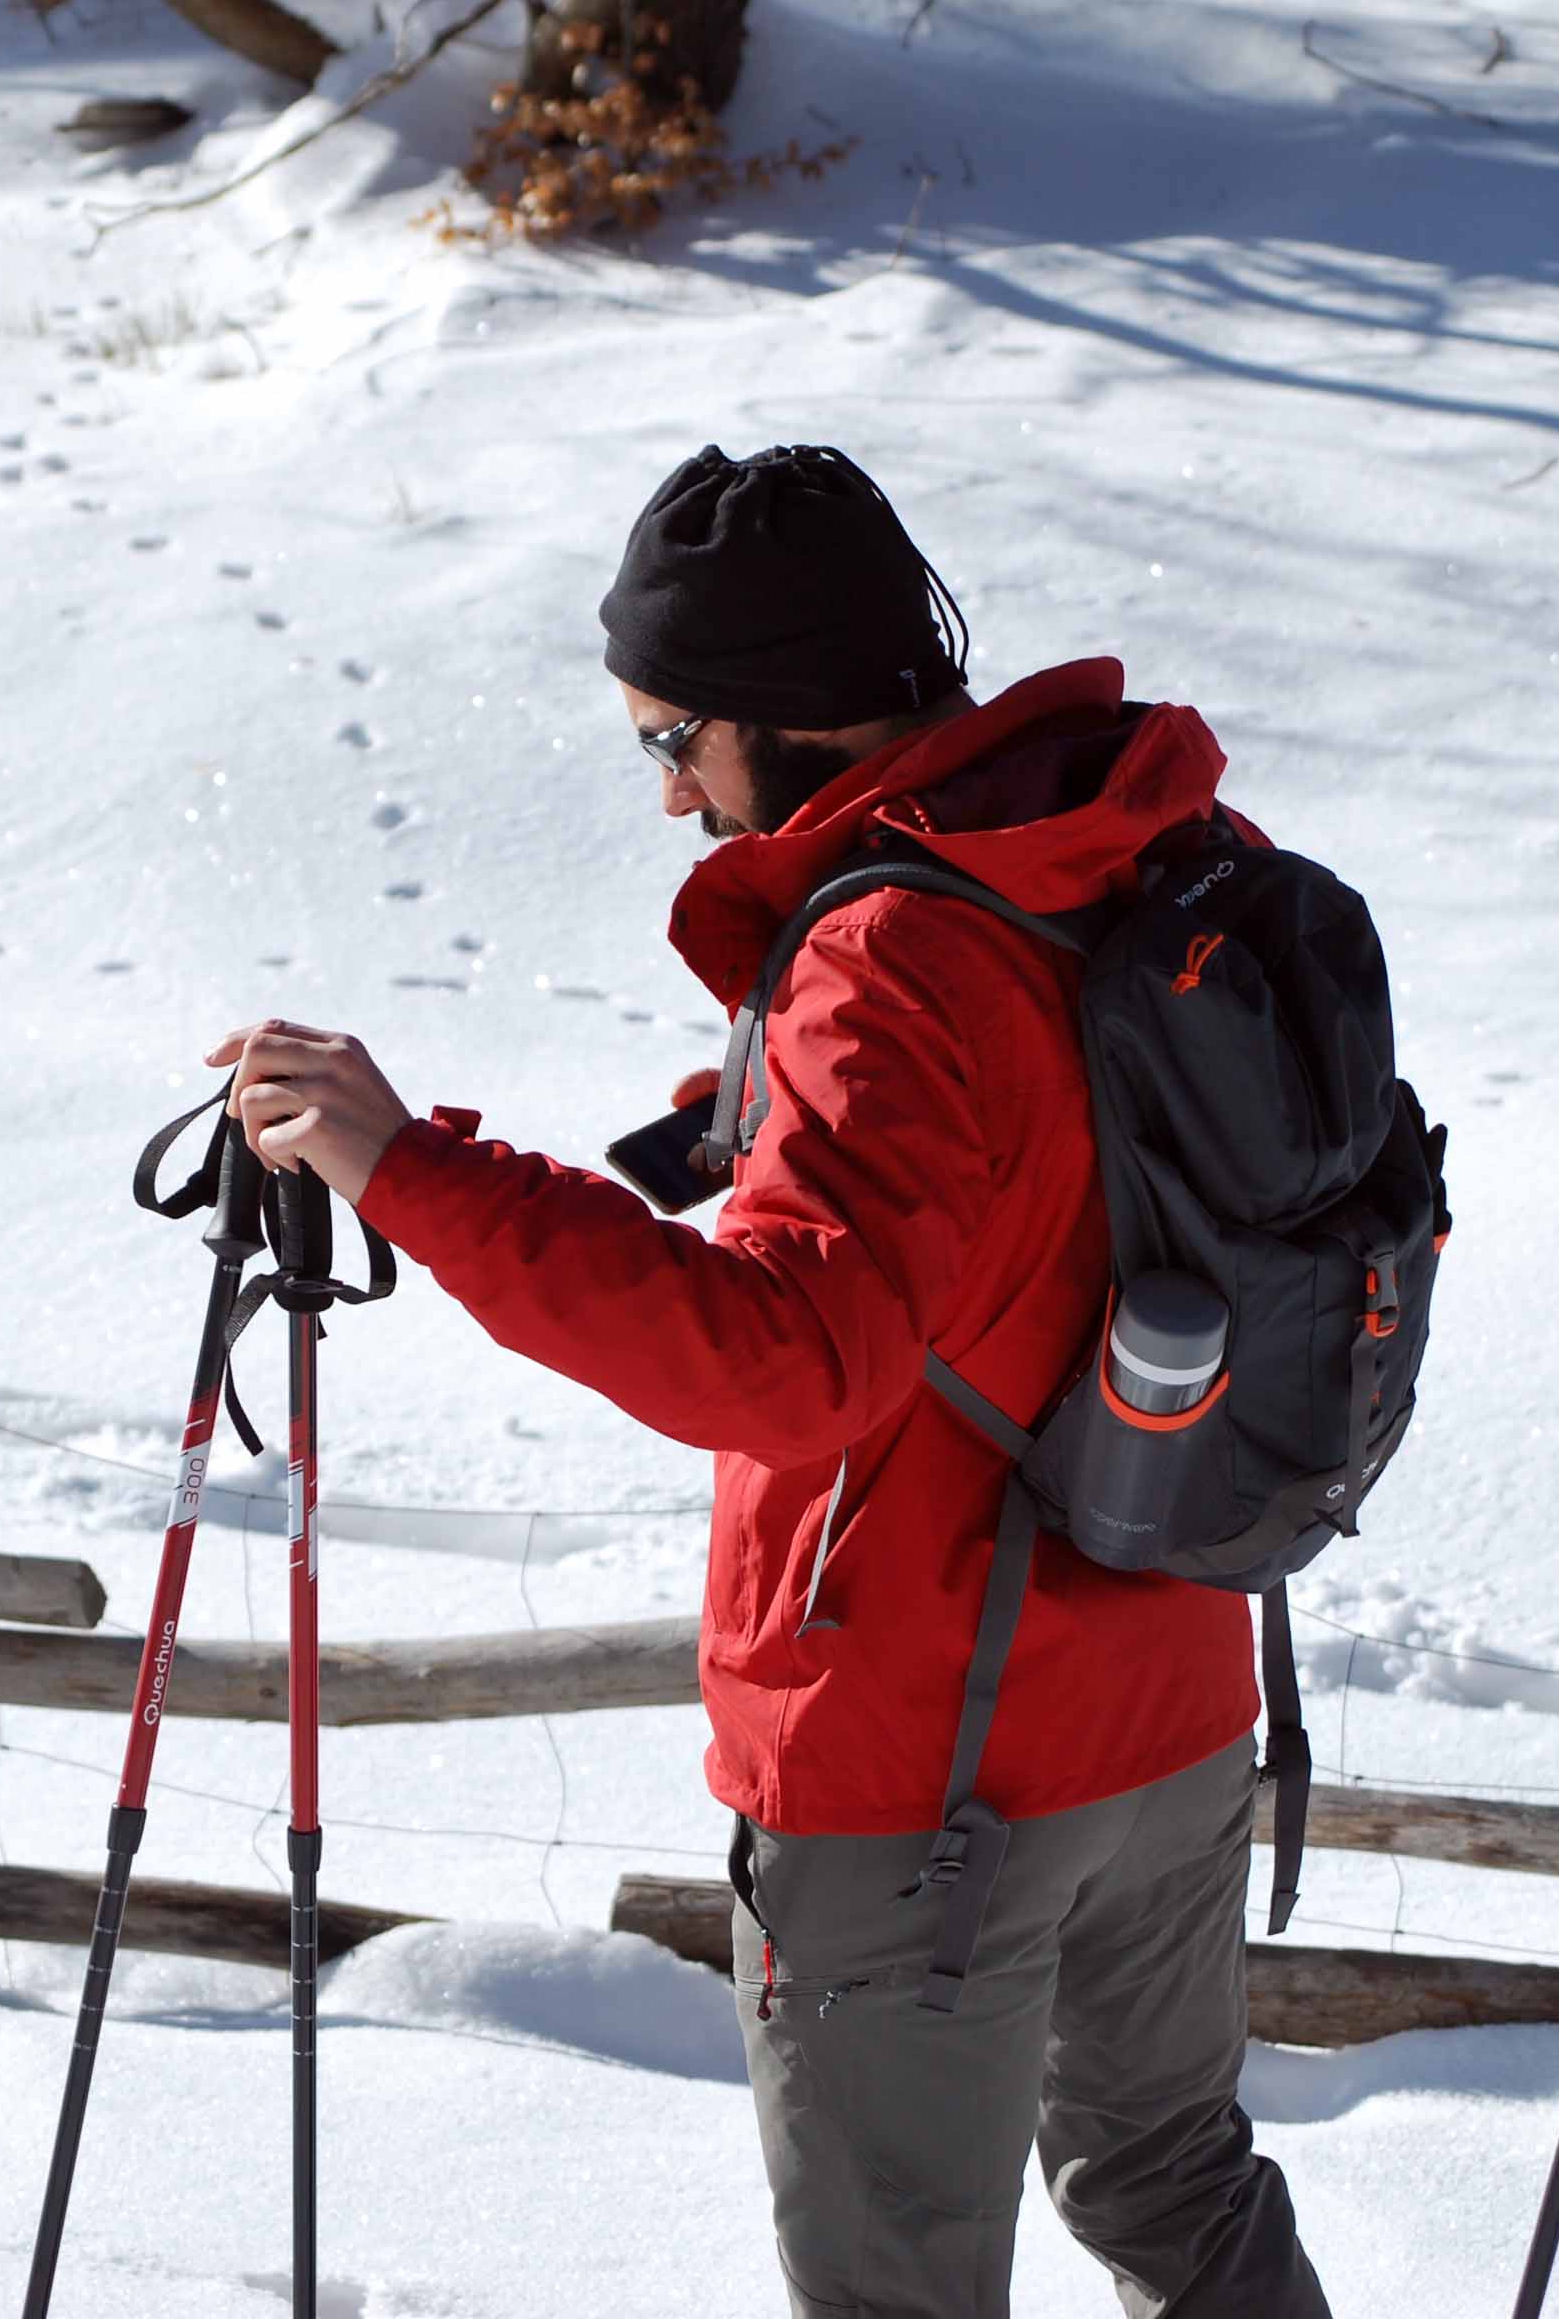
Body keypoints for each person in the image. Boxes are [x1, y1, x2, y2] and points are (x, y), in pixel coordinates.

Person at [208, 443, 1328, 2319]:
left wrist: (409, 1171)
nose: (665, 795)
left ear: (794, 714)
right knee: (1179, 2192)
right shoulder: (1128, 842)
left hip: (930, 1775)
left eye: (674, 737)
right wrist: (760, 1115)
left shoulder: (893, 952)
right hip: (1177, 1702)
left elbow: (789, 1360)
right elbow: (1051, 1161)